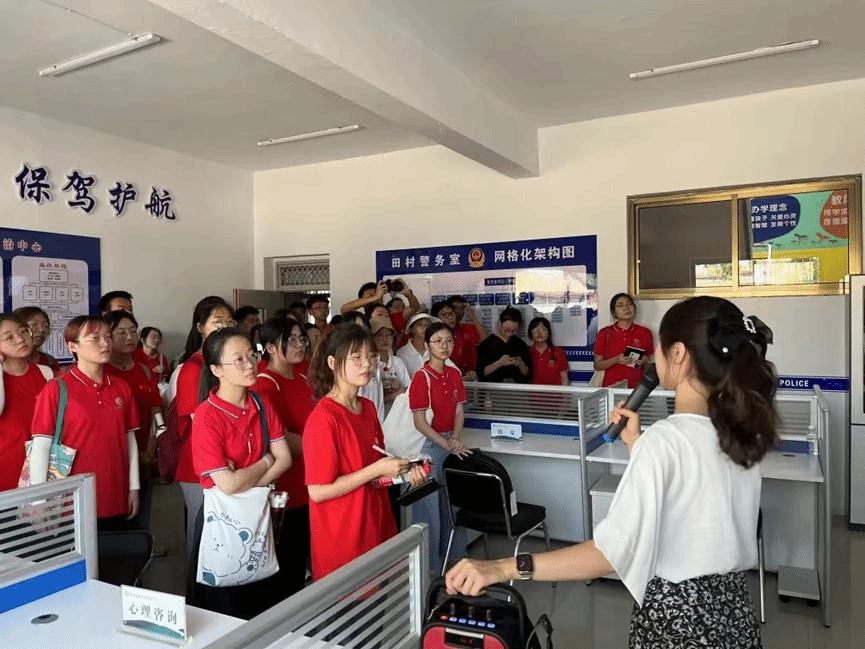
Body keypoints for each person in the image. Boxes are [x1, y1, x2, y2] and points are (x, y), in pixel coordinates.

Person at [446, 296, 777, 648]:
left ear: (678, 354)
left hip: (679, 619)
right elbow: (691, 508)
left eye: (660, 347)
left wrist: (501, 568)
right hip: (734, 612)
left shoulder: (665, 440)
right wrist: (636, 444)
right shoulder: (741, 432)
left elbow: (610, 555)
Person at [303, 325, 425, 580]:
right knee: (352, 601)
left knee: (380, 596)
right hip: (343, 534)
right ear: (332, 363)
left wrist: (403, 471)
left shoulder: (367, 407)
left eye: (370, 356)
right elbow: (319, 491)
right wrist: (377, 469)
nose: (367, 364)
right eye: (356, 357)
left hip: (374, 522)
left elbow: (376, 472)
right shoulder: (323, 418)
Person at [189, 327, 291, 618]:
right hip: (222, 520)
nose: (250, 364)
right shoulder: (207, 415)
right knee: (224, 609)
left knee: (261, 600)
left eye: (252, 355)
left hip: (258, 515)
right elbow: (228, 485)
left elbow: (285, 459)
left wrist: (243, 479)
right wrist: (265, 462)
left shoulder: (261, 403)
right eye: (239, 360)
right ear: (216, 369)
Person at [30, 316, 140, 528]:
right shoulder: (57, 388)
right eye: (95, 338)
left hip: (116, 494)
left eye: (108, 337)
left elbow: (129, 440)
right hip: (71, 500)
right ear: (73, 346)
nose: (105, 343)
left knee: (117, 546)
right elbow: (41, 445)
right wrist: (39, 501)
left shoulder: (121, 387)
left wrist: (133, 487)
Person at [252, 317, 315, 598]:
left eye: (302, 338)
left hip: (308, 479)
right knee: (284, 565)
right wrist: (322, 448)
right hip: (284, 487)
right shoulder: (266, 384)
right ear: (270, 347)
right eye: (290, 340)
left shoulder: (302, 379)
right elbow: (280, 438)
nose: (299, 345)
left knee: (299, 561)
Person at [173, 296, 235, 560]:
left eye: (229, 322)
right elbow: (197, 422)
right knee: (202, 540)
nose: (224, 327)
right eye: (217, 322)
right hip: (198, 467)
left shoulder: (229, 365)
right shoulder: (192, 368)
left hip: (228, 463)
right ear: (200, 327)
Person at [409, 322, 471, 575]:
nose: (444, 346)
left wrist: (455, 438)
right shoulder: (421, 377)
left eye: (448, 341)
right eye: (438, 341)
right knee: (429, 509)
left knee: (453, 503)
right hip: (429, 446)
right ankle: (430, 568)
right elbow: (419, 422)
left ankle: (454, 559)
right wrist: (446, 443)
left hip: (450, 442)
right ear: (427, 345)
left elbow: (459, 411)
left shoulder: (454, 374)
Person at [103, 311, 163, 531]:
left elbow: (156, 411)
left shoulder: (144, 371)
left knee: (140, 521)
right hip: (116, 458)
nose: (129, 337)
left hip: (145, 456)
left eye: (133, 331)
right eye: (121, 332)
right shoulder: (102, 372)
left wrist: (150, 450)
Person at [0, 314, 49, 490]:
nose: (20, 339)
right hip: (6, 467)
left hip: (43, 467)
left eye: (23, 332)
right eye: (9, 337)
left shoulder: (46, 372)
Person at [594, 292, 654, 388]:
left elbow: (650, 365)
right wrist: (616, 360)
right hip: (611, 388)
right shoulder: (605, 333)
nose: (626, 308)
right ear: (614, 312)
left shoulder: (645, 332)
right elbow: (597, 365)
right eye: (620, 305)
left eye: (629, 304)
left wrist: (645, 360)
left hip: (637, 387)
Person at [476, 307, 531, 383]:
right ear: (500, 323)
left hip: (516, 387)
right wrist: (500, 363)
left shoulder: (520, 344)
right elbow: (481, 372)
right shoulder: (487, 344)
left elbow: (527, 373)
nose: (510, 333)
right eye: (507, 330)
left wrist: (520, 363)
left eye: (514, 331)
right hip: (493, 387)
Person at [370, 315, 410, 419]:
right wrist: (391, 396)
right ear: (371, 338)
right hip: (376, 416)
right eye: (380, 335)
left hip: (398, 416)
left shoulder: (398, 362)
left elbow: (406, 388)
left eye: (389, 335)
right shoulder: (369, 365)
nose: (385, 339)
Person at [13, 306, 60, 375]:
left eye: (45, 326)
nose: (41, 330)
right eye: (34, 325)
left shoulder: (49, 361)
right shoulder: (5, 361)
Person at [447, 296, 486, 377]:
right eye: (455, 308)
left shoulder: (468, 328)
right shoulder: (440, 332)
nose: (458, 311)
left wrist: (471, 315)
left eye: (462, 308)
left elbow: (486, 341)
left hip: (469, 377)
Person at [528, 316, 570, 385]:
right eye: (536, 330)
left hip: (555, 391)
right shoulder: (527, 352)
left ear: (549, 333)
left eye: (543, 330)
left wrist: (565, 391)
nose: (539, 333)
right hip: (533, 392)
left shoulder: (558, 352)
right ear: (530, 333)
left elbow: (564, 378)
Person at [397, 312, 438, 377]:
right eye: (420, 324)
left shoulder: (436, 349)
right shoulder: (402, 353)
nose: (424, 327)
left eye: (427, 325)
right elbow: (404, 379)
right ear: (411, 329)